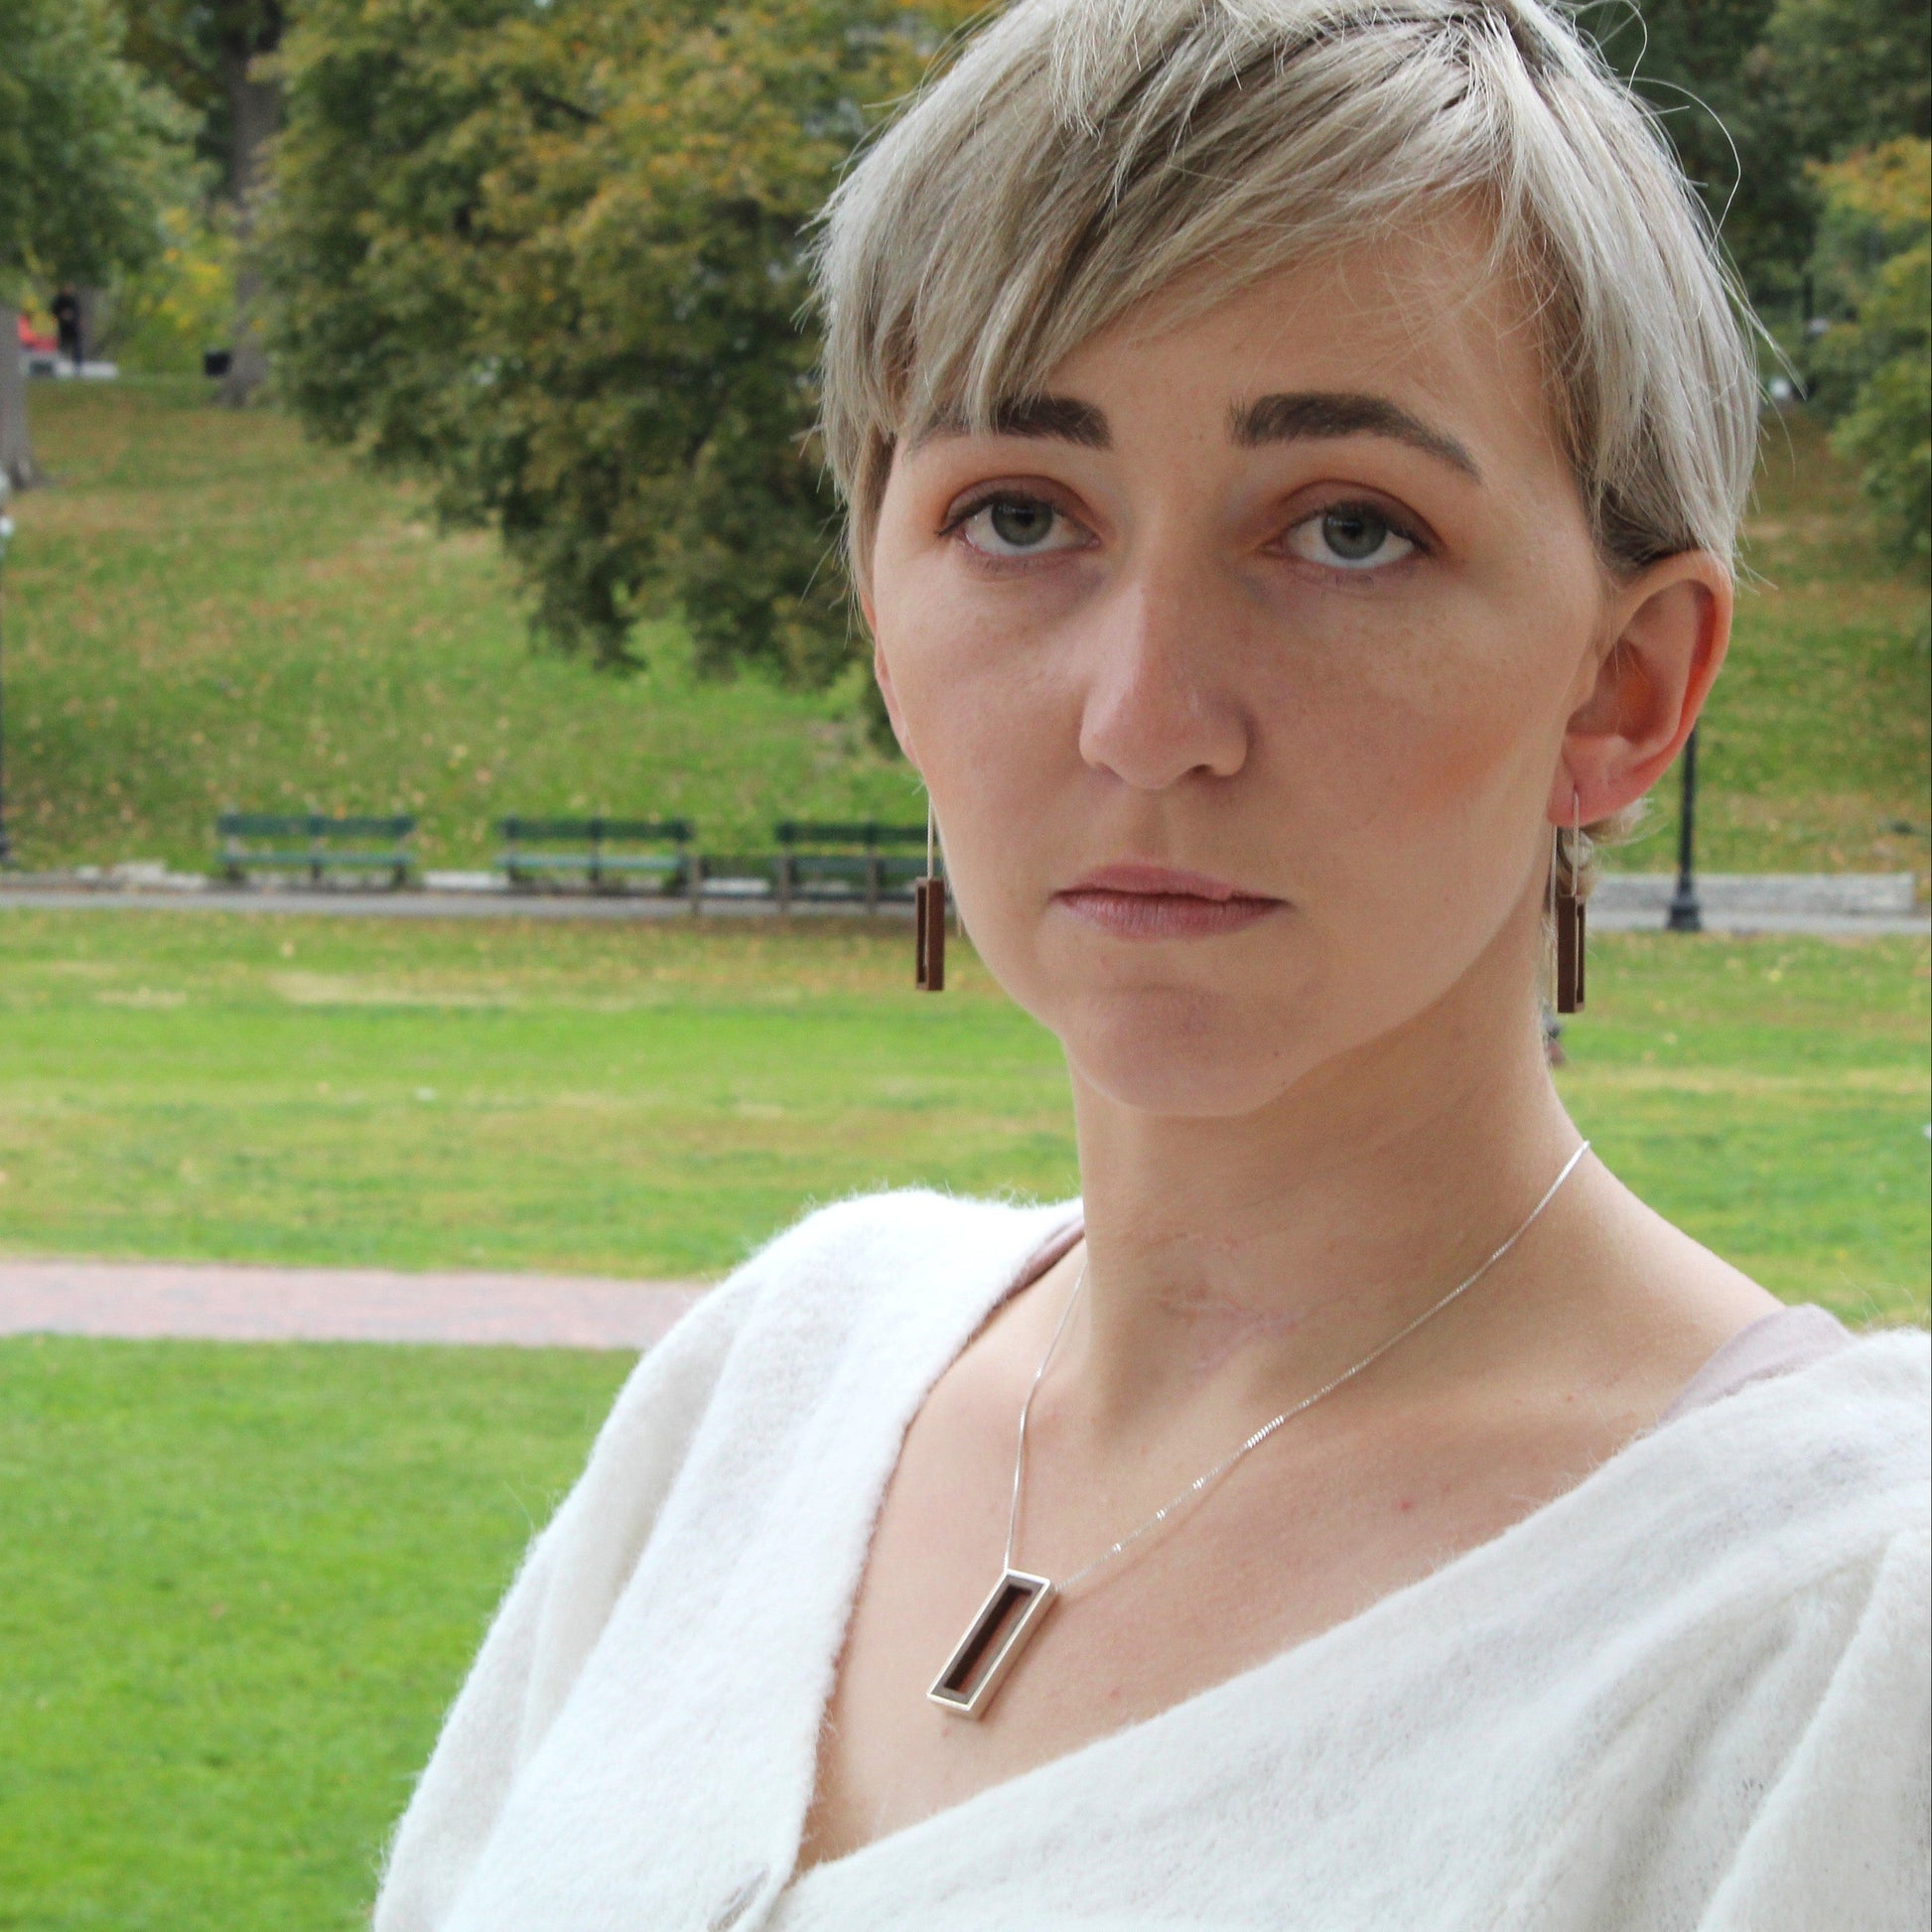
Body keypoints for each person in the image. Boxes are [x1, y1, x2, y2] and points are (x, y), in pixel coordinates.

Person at [372, 1, 1930, 1926]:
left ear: (1621, 688)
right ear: (879, 603)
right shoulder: (775, 1376)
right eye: (1019, 514)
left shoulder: (1835, 1622)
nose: (1145, 714)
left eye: (1348, 531)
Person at [51, 289, 82, 369]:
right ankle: (59, 364)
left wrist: (71, 316)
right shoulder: (59, 300)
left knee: (76, 346)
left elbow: (77, 313)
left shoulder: (73, 300)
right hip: (63, 328)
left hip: (73, 328)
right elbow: (54, 311)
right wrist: (62, 315)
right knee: (62, 347)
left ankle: (77, 366)